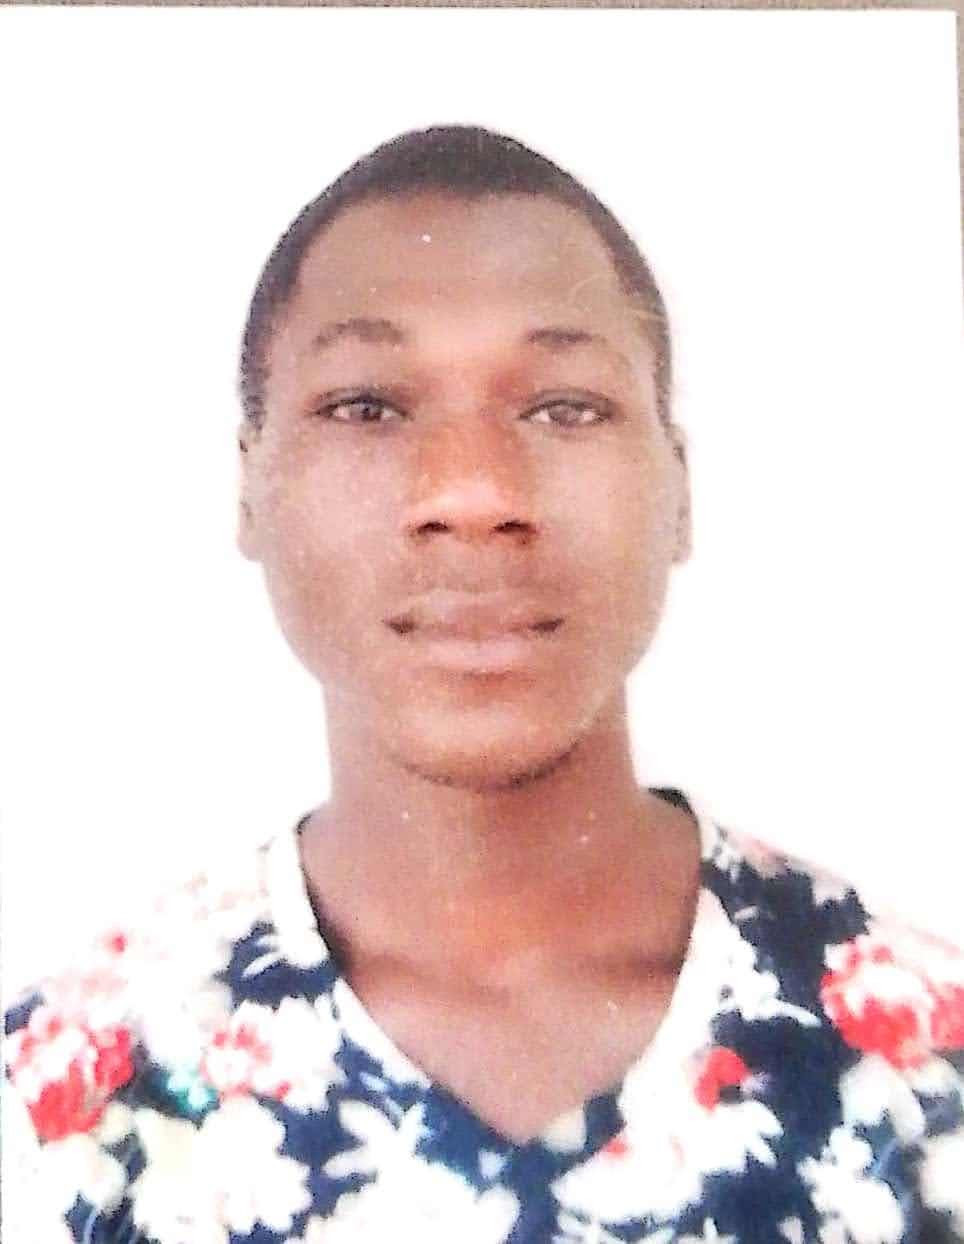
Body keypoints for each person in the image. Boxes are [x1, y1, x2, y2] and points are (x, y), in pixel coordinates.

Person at [3, 125, 962, 1244]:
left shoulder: (922, 1071)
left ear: (680, 492)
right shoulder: (64, 1109)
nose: (471, 492)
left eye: (563, 407)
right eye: (366, 405)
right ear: (250, 490)